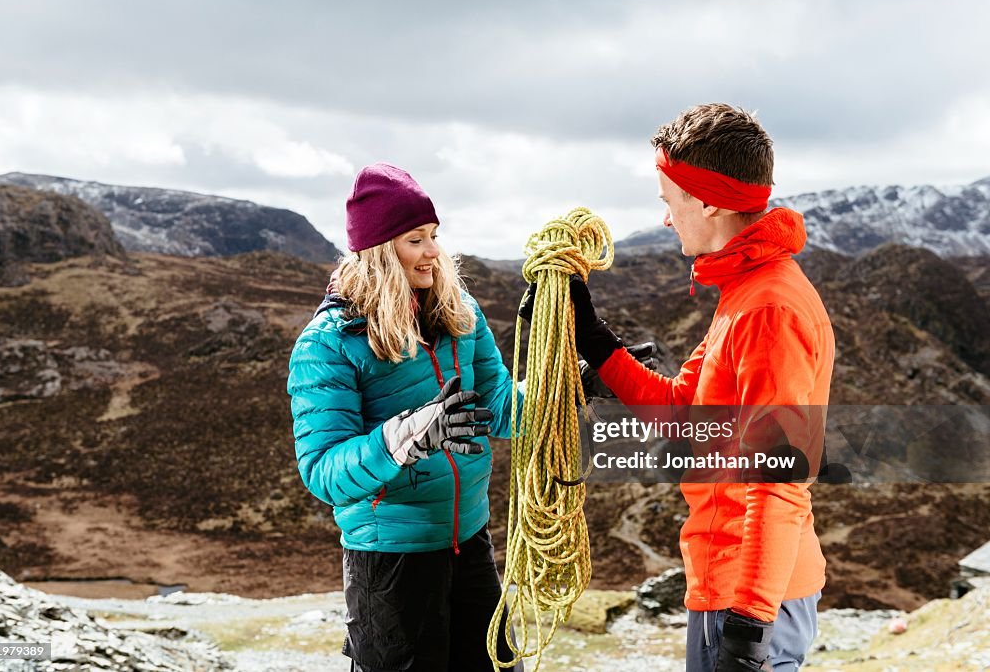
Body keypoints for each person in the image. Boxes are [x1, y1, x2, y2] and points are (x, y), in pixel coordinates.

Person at [569, 104, 833, 671]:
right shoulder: (745, 292)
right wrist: (594, 339)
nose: (666, 219)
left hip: (749, 595)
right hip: (734, 583)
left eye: (669, 201)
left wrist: (748, 626)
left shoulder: (767, 310)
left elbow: (778, 479)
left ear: (708, 200)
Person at [287, 163, 521, 672]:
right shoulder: (328, 343)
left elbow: (498, 407)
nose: (434, 252)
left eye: (434, 236)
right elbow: (323, 471)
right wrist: (405, 437)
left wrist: (569, 390)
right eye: (416, 240)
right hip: (389, 563)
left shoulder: (460, 313)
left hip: (470, 543)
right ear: (379, 251)